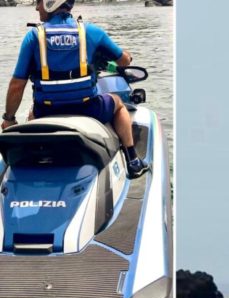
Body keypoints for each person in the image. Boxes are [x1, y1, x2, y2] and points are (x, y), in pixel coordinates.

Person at [2, 0, 149, 179]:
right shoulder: (91, 32)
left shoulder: (33, 37)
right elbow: (124, 61)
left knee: (32, 113)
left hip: (46, 111)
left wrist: (9, 119)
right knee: (118, 104)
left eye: (39, 2)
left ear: (50, 3)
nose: (36, 7)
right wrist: (127, 56)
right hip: (89, 109)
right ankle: (133, 160)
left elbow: (18, 85)